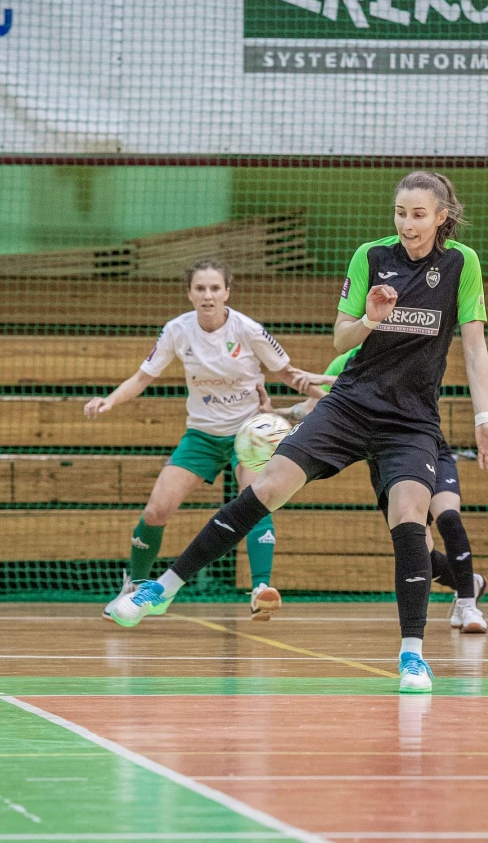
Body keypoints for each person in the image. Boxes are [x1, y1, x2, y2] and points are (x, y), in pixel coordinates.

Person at [112, 171, 488, 693]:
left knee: (410, 514)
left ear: (441, 216)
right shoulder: (371, 257)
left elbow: (474, 346)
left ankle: (412, 655)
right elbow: (341, 337)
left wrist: (484, 420)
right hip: (349, 405)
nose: (407, 224)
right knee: (267, 486)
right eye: (400, 213)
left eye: (418, 214)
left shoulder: (461, 264)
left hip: (411, 420)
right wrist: (370, 318)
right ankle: (163, 588)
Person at [86, 259, 321, 622]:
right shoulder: (177, 331)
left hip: (248, 433)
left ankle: (260, 589)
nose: (208, 295)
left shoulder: (249, 330)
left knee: (258, 498)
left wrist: (324, 396)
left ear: (227, 292)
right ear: (189, 294)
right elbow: (142, 377)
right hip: (201, 435)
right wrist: (109, 400)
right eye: (200, 289)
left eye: (215, 288)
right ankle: (135, 587)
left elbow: (289, 374)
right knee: (156, 510)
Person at [279, 347, 488, 633]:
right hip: (388, 463)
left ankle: (468, 605)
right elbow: (315, 407)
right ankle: (469, 583)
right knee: (420, 553)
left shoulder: (407, 346)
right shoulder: (344, 360)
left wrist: (322, 380)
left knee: (449, 518)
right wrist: (274, 412)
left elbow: (384, 391)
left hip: (423, 445)